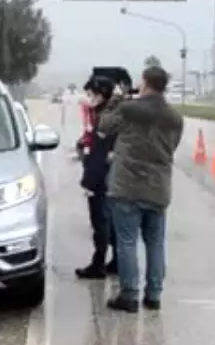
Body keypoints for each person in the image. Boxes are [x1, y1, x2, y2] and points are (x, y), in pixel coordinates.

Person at [97, 66, 185, 313]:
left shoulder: (129, 109)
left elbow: (103, 127)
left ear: (145, 83)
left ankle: (129, 295)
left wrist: (115, 99)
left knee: (127, 242)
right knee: (155, 242)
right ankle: (154, 295)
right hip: (159, 188)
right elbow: (172, 147)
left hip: (127, 186)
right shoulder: (174, 117)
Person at [75, 75, 121, 279]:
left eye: (91, 94)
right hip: (103, 174)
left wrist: (90, 180)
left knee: (100, 221)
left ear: (102, 95)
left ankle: (98, 264)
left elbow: (101, 151)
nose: (88, 98)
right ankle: (115, 261)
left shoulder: (104, 118)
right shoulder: (101, 114)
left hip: (100, 176)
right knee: (108, 221)